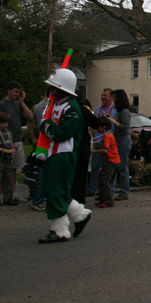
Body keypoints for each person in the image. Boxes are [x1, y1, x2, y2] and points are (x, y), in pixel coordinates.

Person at [37, 68, 92, 243]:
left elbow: (64, 133)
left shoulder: (72, 107)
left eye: (54, 87)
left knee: (56, 190)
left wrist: (45, 126)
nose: (51, 90)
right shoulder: (56, 104)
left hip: (64, 153)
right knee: (50, 188)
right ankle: (80, 215)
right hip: (53, 152)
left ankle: (60, 230)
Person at [0, 81, 33, 204]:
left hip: (16, 140)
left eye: (19, 92)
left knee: (13, 168)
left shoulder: (17, 104)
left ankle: (11, 193)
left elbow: (30, 117)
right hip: (3, 141)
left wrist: (21, 101)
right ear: (8, 90)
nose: (17, 94)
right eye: (15, 91)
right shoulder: (1, 105)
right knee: (0, 169)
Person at [87, 88, 118, 196]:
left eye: (105, 96)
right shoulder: (97, 110)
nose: (103, 97)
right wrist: (94, 138)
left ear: (111, 98)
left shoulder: (115, 110)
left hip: (109, 142)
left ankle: (109, 190)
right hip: (98, 141)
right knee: (95, 166)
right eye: (102, 95)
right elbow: (93, 125)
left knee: (109, 168)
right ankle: (92, 189)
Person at [71, 96, 100, 206]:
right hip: (83, 144)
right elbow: (96, 124)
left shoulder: (66, 110)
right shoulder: (84, 111)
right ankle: (79, 200)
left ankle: (68, 197)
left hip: (70, 144)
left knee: (70, 172)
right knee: (81, 174)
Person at [91, 117, 120, 208]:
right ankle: (102, 199)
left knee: (104, 181)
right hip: (113, 161)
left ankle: (108, 201)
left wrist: (94, 151)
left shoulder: (107, 136)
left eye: (98, 127)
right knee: (103, 179)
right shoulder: (108, 135)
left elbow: (105, 151)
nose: (96, 129)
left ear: (103, 126)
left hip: (112, 161)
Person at [108, 89, 132, 200]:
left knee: (123, 167)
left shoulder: (124, 111)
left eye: (114, 97)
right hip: (117, 139)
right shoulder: (117, 110)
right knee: (114, 165)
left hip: (123, 140)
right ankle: (110, 190)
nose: (112, 100)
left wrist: (114, 122)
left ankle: (124, 191)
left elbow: (126, 127)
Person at [0, 112, 17, 207]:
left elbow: (10, 143)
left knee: (8, 179)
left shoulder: (9, 132)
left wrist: (13, 147)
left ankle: (8, 197)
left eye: (7, 123)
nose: (5, 125)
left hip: (8, 159)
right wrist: (5, 150)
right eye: (3, 123)